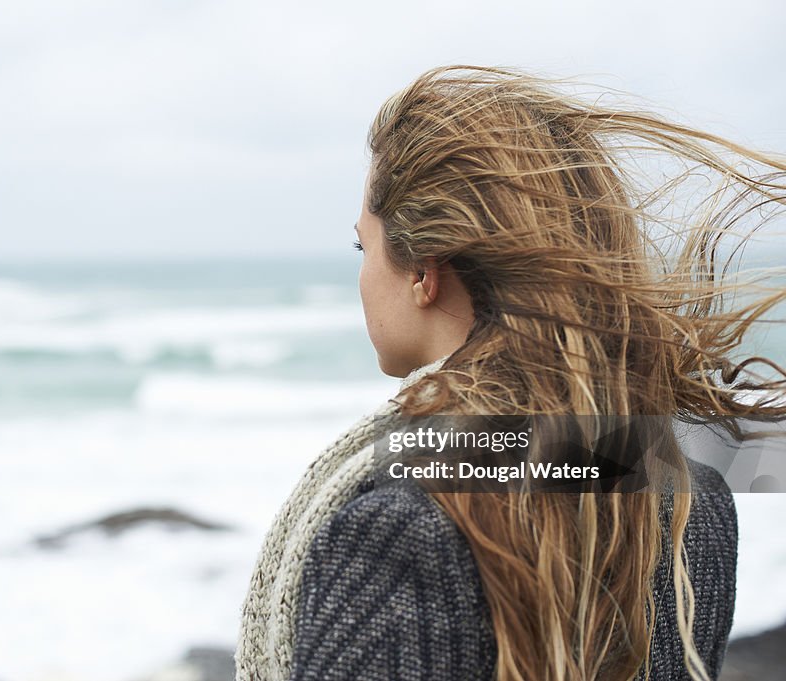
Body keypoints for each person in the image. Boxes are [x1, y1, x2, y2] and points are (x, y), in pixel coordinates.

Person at [234, 66, 786, 681]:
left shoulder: (396, 527)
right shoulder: (695, 503)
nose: (362, 274)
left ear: (423, 271)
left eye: (363, 248)